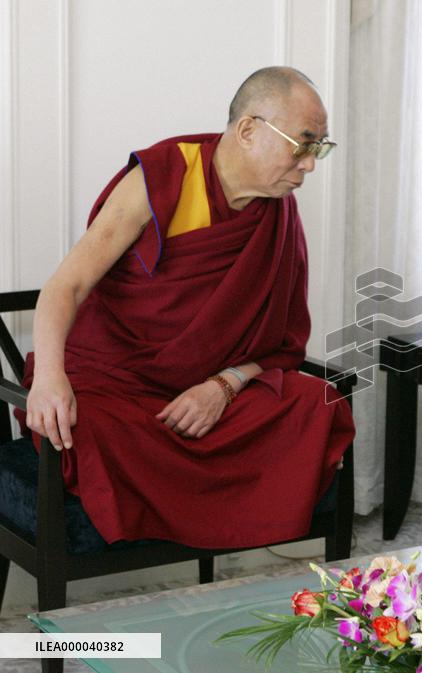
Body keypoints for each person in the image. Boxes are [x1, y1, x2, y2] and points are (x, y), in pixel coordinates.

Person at [16, 66, 355, 549]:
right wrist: (49, 378)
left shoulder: (278, 211)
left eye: (318, 147)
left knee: (312, 405)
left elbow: (282, 344)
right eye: (302, 143)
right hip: (121, 382)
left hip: (207, 387)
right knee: (84, 423)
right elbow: (65, 287)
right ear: (248, 130)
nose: (310, 164)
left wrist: (222, 386)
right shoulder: (161, 180)